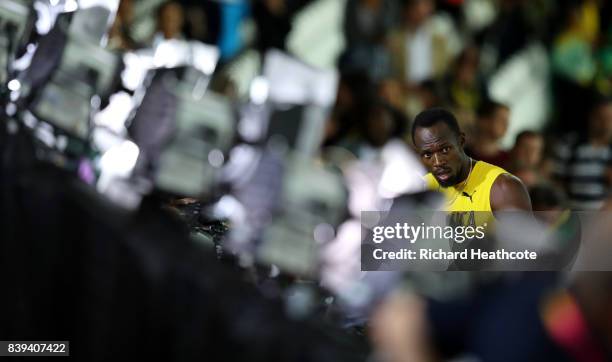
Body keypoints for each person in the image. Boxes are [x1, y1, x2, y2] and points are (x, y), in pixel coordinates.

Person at [413, 107, 530, 216]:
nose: (437, 162)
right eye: (428, 154)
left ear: (461, 141)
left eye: (445, 150)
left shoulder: (502, 187)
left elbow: (526, 237)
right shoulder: (421, 188)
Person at [553, 97, 612, 210]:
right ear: (592, 118)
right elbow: (556, 183)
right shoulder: (569, 144)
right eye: (601, 118)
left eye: (609, 118)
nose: (606, 124)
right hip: (572, 216)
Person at [464, 100, 511, 168]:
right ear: (483, 121)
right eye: (500, 120)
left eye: (507, 121)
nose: (506, 125)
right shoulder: (463, 156)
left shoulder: (509, 161)